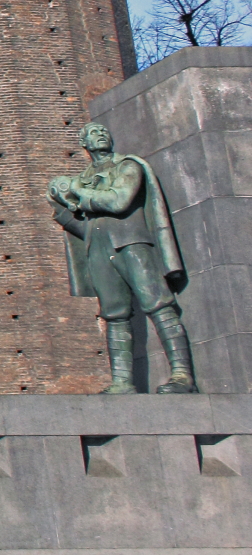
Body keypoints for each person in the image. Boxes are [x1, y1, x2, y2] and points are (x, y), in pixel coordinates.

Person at [49, 121, 193, 394]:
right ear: (85, 145)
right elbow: (88, 226)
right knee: (114, 315)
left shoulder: (127, 166)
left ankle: (182, 375)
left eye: (104, 130)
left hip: (132, 243)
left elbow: (119, 201)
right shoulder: (85, 177)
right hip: (100, 250)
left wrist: (78, 192)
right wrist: (62, 210)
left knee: (159, 305)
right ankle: (122, 382)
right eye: (93, 133)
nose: (101, 134)